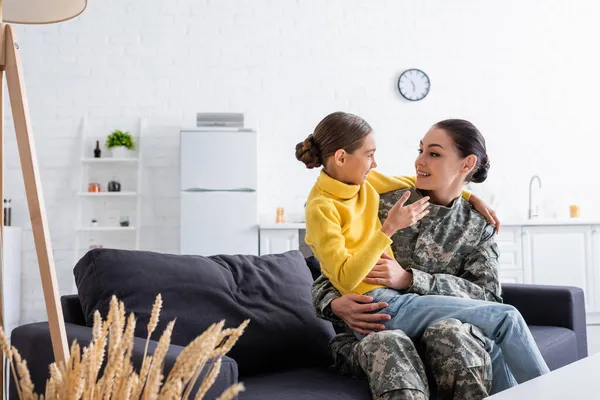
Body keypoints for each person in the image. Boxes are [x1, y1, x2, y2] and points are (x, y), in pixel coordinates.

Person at [307, 117, 549, 398]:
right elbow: (329, 270)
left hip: (444, 333)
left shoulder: (478, 225)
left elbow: (487, 299)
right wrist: (335, 304)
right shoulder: (385, 201)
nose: (419, 161)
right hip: (376, 331)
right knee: (390, 342)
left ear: (467, 164)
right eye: (420, 150)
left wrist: (411, 279)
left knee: (457, 336)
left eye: (433, 154)